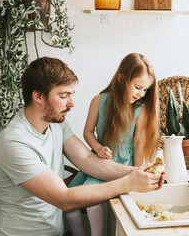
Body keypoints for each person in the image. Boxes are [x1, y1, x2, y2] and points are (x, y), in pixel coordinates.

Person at [0, 57, 163, 236]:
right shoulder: (15, 143)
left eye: (71, 95)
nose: (72, 103)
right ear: (38, 96)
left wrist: (137, 172)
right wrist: (129, 182)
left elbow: (87, 159)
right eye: (64, 96)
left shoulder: (56, 124)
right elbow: (64, 199)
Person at [66, 53, 159, 236]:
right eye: (138, 87)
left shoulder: (141, 109)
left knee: (93, 204)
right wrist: (98, 147)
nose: (141, 94)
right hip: (98, 163)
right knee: (70, 205)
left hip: (124, 164)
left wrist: (137, 171)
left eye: (145, 90)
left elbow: (139, 143)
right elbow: (88, 132)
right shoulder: (99, 101)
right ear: (121, 79)